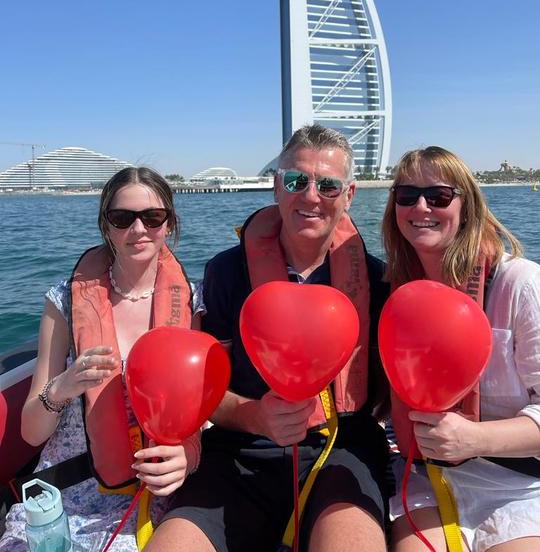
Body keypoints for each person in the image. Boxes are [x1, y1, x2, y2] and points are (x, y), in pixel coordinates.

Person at [146, 124, 391, 552]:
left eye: (328, 186)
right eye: (296, 181)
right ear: (277, 187)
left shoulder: (375, 279)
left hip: (343, 450)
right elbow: (205, 395)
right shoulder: (225, 272)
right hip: (241, 451)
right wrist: (255, 415)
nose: (311, 196)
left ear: (349, 195)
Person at [0, 167, 201, 552]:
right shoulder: (63, 302)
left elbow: (199, 414)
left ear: (169, 224)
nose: (138, 229)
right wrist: (62, 386)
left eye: (152, 217)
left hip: (152, 493)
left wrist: (187, 457)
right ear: (105, 226)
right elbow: (31, 432)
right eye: (122, 218)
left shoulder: (194, 303)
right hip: (67, 491)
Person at [382, 146, 540, 552]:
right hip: (423, 479)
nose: (421, 207)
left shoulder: (519, 285)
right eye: (406, 195)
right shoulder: (393, 295)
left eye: (438, 196)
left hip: (519, 485)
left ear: (466, 206)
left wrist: (474, 438)